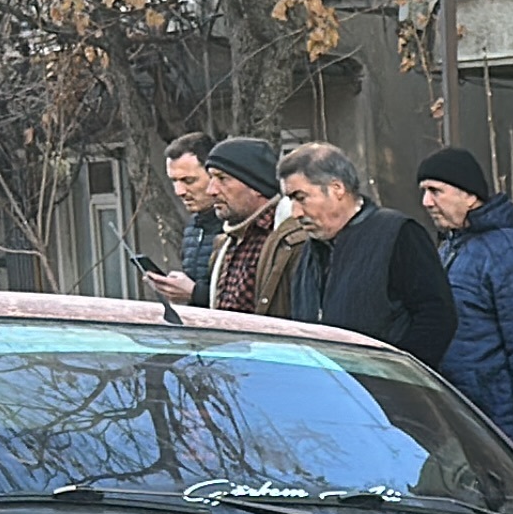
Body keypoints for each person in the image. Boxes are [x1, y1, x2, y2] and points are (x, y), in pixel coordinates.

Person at [414, 146, 513, 446]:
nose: (426, 202)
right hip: (464, 421)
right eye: (424, 191)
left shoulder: (510, 250)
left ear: (469, 196)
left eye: (435, 191)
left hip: (500, 430)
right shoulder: (452, 247)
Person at [274, 142, 454, 367]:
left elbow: (436, 318)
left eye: (301, 198)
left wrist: (396, 375)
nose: (296, 213)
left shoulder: (397, 234)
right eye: (291, 200)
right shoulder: (309, 252)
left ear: (337, 188)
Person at [194, 137, 292, 314]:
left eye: (222, 178)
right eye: (211, 178)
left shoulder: (290, 240)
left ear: (256, 186)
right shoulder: (226, 242)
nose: (211, 190)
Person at [142, 134, 220, 303]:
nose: (179, 191)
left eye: (189, 180)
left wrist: (195, 293)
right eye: (174, 181)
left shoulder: (236, 225)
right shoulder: (193, 227)